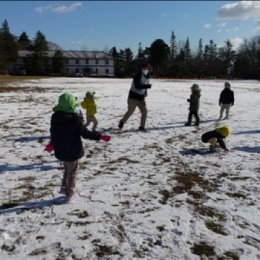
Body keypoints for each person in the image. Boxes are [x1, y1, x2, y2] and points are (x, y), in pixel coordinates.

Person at [50, 92, 111, 202]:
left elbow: (54, 133)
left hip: (61, 151)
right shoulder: (75, 120)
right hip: (72, 152)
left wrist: (52, 143)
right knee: (72, 172)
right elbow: (86, 134)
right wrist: (100, 136)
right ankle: (70, 194)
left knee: (67, 168)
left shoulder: (55, 118)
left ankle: (64, 187)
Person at [118, 63, 152, 131]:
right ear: (141, 69)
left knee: (144, 111)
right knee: (131, 111)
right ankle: (122, 121)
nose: (145, 70)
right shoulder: (138, 75)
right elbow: (137, 86)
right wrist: (147, 87)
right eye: (144, 68)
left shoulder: (148, 77)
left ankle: (142, 127)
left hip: (141, 98)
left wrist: (145, 91)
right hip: (133, 97)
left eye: (146, 68)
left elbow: (145, 86)